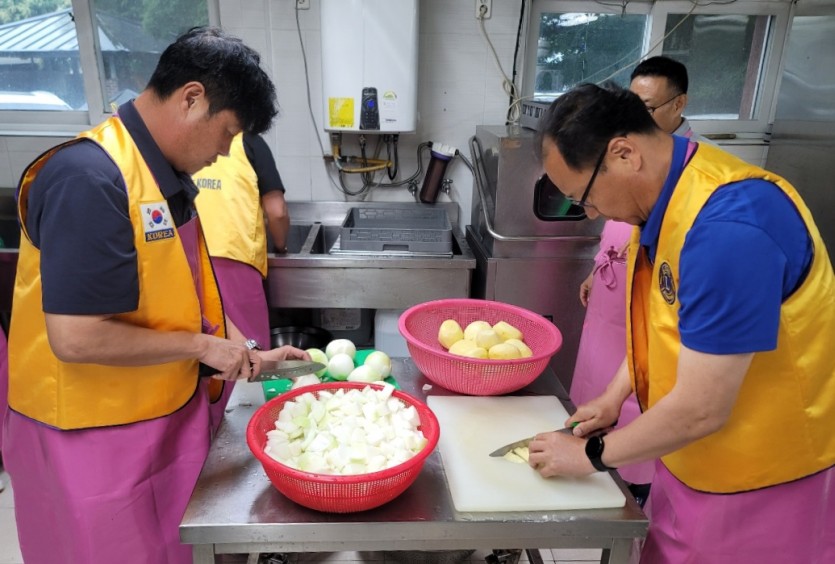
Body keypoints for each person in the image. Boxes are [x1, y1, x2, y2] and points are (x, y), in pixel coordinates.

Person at [3, 27, 309, 564]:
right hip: (91, 438)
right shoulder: (90, 178)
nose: (224, 152)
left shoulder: (164, 179)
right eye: (227, 133)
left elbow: (182, 296)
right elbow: (77, 338)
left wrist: (252, 355)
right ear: (192, 98)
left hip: (161, 417)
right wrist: (202, 347)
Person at [531, 83, 835, 563]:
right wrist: (615, 395)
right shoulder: (667, 200)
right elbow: (666, 323)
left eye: (583, 197)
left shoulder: (730, 230)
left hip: (761, 485)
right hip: (689, 460)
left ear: (625, 154)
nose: (591, 214)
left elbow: (702, 409)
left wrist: (590, 456)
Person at [570, 56, 708, 501]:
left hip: (651, 296)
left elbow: (702, 407)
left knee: (643, 377)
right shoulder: (627, 158)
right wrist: (597, 268)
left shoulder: (702, 196)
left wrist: (591, 457)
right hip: (613, 285)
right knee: (600, 382)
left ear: (679, 104)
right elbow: (621, 226)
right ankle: (596, 463)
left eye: (645, 107)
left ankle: (629, 483)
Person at [193, 132, 290, 433]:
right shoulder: (250, 142)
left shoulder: (187, 144)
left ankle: (215, 433)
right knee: (248, 361)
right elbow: (277, 211)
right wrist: (281, 246)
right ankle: (251, 435)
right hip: (235, 259)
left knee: (215, 360)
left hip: (191, 257)